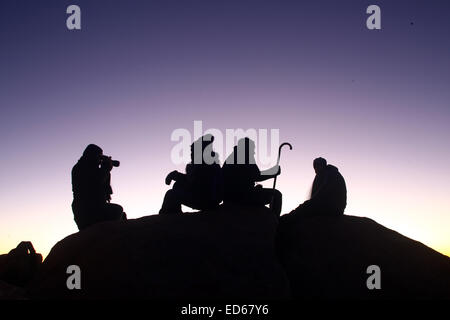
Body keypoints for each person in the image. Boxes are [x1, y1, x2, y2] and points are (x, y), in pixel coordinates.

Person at [159, 134, 223, 214]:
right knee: (177, 185)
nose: (191, 154)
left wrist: (177, 176)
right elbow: (192, 181)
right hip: (204, 198)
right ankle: (173, 214)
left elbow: (197, 183)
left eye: (194, 151)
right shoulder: (202, 164)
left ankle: (170, 219)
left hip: (207, 201)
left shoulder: (208, 165)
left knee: (171, 194)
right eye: (191, 151)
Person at [222, 137, 282, 217]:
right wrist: (273, 172)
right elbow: (257, 176)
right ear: (247, 148)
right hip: (240, 196)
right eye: (252, 149)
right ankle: (275, 220)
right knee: (276, 195)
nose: (254, 152)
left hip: (231, 195)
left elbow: (247, 177)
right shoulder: (245, 156)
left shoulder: (233, 157)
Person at [71, 144, 126, 230]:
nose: (99, 159)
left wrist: (106, 169)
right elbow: (95, 183)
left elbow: (103, 187)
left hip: (90, 209)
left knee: (122, 215)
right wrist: (106, 168)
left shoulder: (87, 167)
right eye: (98, 156)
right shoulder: (82, 168)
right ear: (91, 155)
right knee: (117, 210)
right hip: (87, 210)